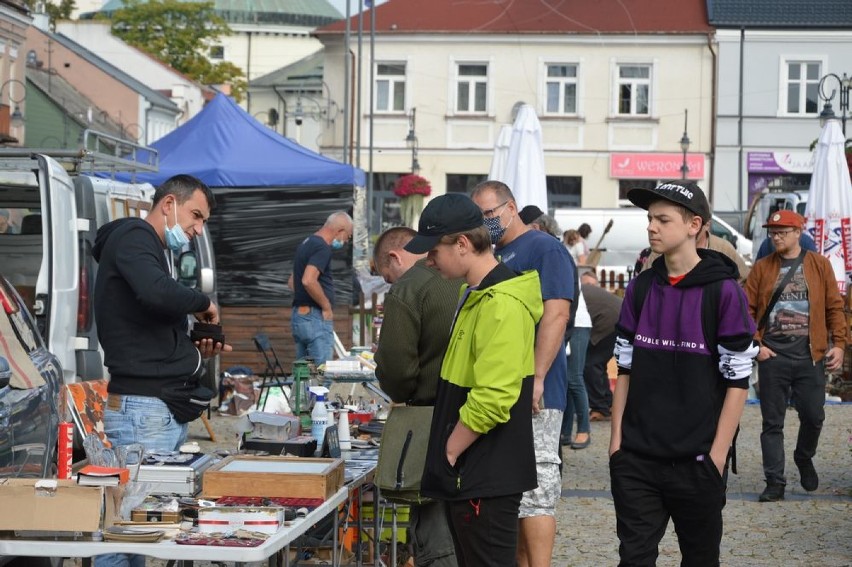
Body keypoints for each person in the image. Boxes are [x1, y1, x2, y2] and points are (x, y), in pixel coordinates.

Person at [610, 180, 758, 566]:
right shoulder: (641, 288)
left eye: (662, 219)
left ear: (694, 225)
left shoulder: (724, 292)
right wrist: (616, 445)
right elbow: (624, 367)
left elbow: (738, 381)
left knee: (700, 558)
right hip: (638, 460)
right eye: (649, 219)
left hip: (698, 463)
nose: (651, 227)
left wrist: (717, 458)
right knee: (634, 559)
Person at [93, 174, 230, 567]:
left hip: (157, 408)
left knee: (142, 528)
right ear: (169, 203)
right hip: (143, 411)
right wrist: (203, 303)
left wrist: (192, 342)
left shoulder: (151, 247)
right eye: (196, 215)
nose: (197, 228)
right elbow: (156, 292)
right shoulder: (134, 237)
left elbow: (150, 315)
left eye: (203, 222)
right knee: (124, 532)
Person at [406, 193, 542, 567]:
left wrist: (450, 450)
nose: (429, 260)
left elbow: (495, 395)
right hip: (473, 471)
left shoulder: (501, 302)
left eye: (433, 250)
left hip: (484, 471)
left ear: (462, 244)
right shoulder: (477, 294)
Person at [470, 181, 573, 567]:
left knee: (538, 489)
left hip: (537, 390)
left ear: (510, 208)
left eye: (490, 214)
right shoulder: (501, 252)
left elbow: (557, 313)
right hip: (507, 387)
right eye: (479, 217)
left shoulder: (545, 248)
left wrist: (538, 376)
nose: (486, 222)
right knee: (515, 490)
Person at [373, 226, 462, 567]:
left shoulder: (410, 287)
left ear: (395, 257)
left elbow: (396, 371)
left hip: (431, 422)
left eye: (387, 275)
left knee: (437, 539)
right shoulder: (478, 276)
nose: (390, 282)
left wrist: (403, 393)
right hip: (484, 427)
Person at [743, 210, 847, 502]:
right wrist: (756, 344)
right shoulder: (762, 268)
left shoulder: (819, 265)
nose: (776, 237)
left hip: (809, 356)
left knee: (814, 415)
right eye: (773, 232)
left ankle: (804, 456)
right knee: (772, 422)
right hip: (772, 356)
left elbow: (834, 307)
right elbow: (746, 310)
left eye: (783, 232)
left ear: (798, 232)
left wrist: (838, 344)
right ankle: (775, 482)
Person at [287, 211, 353, 365]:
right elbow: (308, 280)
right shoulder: (322, 247)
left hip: (299, 318)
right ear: (340, 230)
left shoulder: (306, 243)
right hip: (315, 318)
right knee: (323, 375)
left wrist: (306, 298)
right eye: (348, 236)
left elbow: (292, 282)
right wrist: (326, 306)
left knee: (303, 376)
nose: (346, 241)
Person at [641, 216, 751, 283]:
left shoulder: (723, 248)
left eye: (695, 225)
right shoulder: (664, 249)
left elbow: (744, 278)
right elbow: (642, 281)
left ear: (707, 224)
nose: (692, 230)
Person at [579, 268, 621, 421]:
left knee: (590, 363)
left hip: (609, 321)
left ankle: (600, 408)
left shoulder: (570, 291)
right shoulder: (579, 289)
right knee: (597, 363)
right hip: (615, 318)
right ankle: (607, 404)